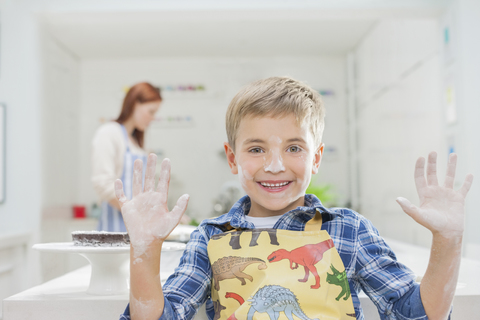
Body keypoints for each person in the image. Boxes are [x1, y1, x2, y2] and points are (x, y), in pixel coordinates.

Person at [115, 77, 473, 320]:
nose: (275, 165)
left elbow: (416, 314)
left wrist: (447, 242)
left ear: (316, 158)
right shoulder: (210, 236)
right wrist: (144, 250)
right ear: (232, 157)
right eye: (256, 148)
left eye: (294, 148)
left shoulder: (349, 229)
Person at [91, 82, 161, 232]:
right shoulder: (109, 133)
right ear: (135, 103)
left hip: (137, 230)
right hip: (115, 230)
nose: (153, 118)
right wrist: (136, 213)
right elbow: (103, 184)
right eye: (151, 111)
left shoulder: (135, 143)